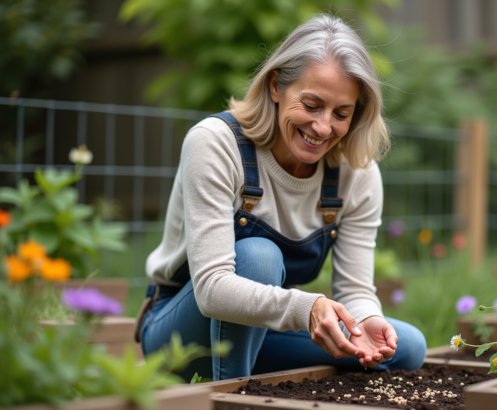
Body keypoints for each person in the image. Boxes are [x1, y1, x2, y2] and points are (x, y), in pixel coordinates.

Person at [135, 14, 427, 382]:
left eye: (341, 113)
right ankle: (233, 396)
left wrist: (366, 320)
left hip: (259, 330)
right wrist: (309, 308)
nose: (323, 127)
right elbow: (211, 291)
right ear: (276, 86)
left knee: (409, 347)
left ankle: (255, 371)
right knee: (259, 256)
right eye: (311, 105)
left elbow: (354, 288)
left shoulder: (357, 174)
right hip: (179, 334)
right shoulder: (216, 143)